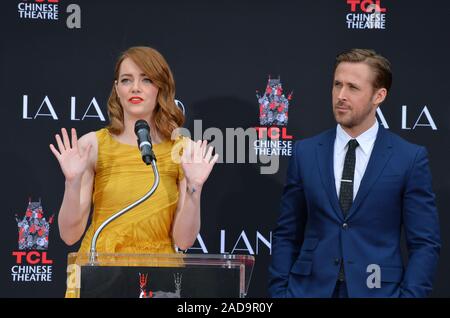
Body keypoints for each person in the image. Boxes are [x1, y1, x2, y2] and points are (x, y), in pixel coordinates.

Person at [268, 48, 441, 298]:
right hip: (307, 291)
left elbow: (425, 243)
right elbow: (287, 233)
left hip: (379, 291)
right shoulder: (305, 153)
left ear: (378, 95)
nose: (341, 95)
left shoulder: (409, 158)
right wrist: (280, 292)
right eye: (337, 84)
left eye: (353, 87)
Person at [49, 46, 218, 297]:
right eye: (127, 80)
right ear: (117, 89)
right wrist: (71, 183)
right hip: (100, 271)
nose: (135, 88)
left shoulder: (184, 150)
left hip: (159, 275)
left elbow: (183, 241)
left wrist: (195, 188)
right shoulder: (92, 145)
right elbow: (69, 235)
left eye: (146, 79)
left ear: (160, 87)